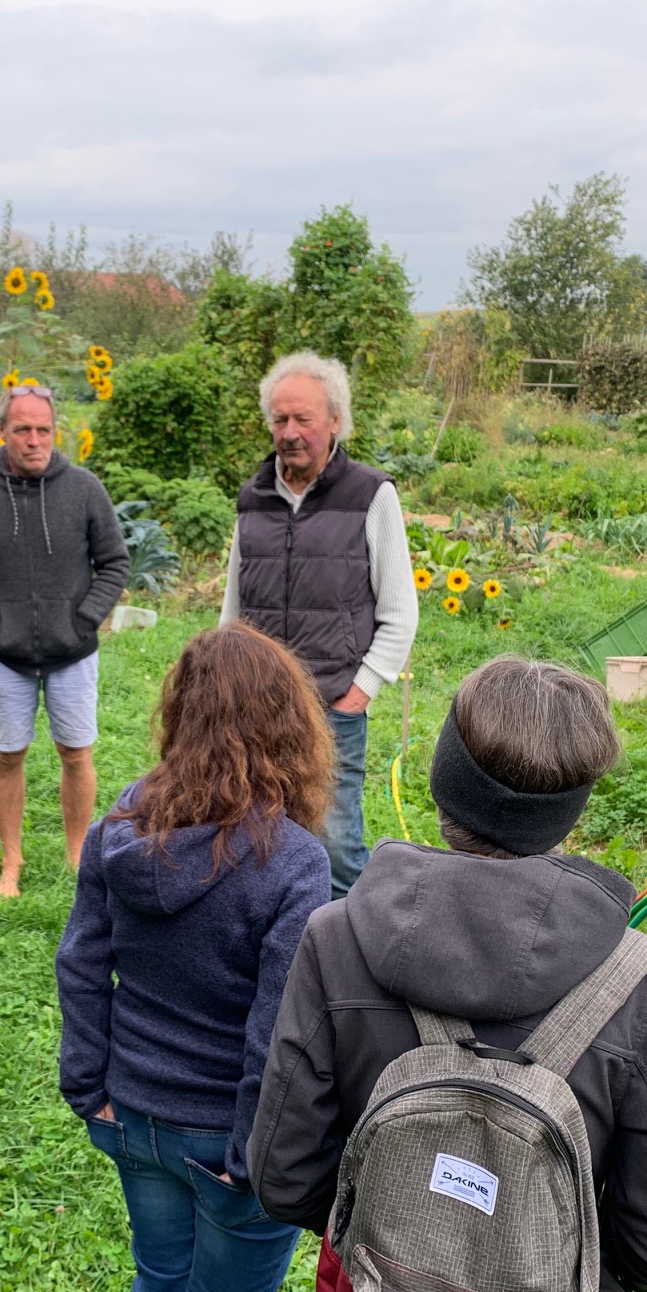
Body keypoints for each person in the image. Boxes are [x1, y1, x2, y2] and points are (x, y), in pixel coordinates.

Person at [250, 657, 647, 1292]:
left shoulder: (335, 943)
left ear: (444, 783)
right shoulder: (637, 987)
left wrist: (402, 1237)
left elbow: (283, 1175)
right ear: (569, 810)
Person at [56, 622, 333, 1292]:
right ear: (289, 725)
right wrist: (254, 1155)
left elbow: (80, 964)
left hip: (135, 1118)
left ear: (181, 714)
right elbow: (278, 1034)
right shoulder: (294, 862)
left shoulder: (121, 826)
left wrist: (90, 1091)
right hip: (229, 1143)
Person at [221, 351, 418, 899]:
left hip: (333, 707)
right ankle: (274, 941)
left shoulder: (370, 494)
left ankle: (340, 944)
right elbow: (233, 612)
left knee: (335, 849)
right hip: (257, 707)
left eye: (302, 419)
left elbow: (400, 612)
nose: (290, 432)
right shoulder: (253, 499)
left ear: (335, 420)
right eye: (280, 419)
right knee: (253, 839)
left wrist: (357, 695)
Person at [0, 384, 129, 897]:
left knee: (76, 753)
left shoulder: (84, 488)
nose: (34, 440)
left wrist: (84, 618)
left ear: (54, 431)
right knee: (8, 755)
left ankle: (76, 854)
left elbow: (114, 562)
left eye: (43, 429)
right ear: (2, 431)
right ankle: (11, 860)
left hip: (73, 652)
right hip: (7, 655)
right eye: (22, 429)